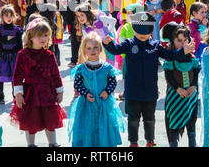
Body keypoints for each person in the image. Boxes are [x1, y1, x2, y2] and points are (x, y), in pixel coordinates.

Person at [103, 12, 195, 147]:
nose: (143, 35)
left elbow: (170, 55)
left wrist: (183, 51)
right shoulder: (128, 43)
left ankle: (150, 141)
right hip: (133, 90)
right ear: (134, 29)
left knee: (149, 118)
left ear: (151, 31)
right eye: (140, 32)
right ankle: (133, 142)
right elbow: (115, 49)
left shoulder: (155, 45)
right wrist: (107, 43)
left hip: (150, 91)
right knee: (133, 119)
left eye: (146, 32)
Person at [9, 18, 66, 147]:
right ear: (30, 37)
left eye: (46, 35)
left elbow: (56, 74)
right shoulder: (23, 54)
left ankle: (53, 143)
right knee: (31, 121)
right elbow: (17, 75)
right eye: (39, 35)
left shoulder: (49, 55)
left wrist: (59, 90)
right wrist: (18, 94)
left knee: (50, 120)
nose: (43, 38)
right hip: (31, 94)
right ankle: (31, 144)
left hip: (47, 93)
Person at [68, 32, 125, 147]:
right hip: (86, 104)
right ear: (84, 51)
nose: (92, 50)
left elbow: (112, 82)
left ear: (100, 49)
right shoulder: (81, 69)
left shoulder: (107, 68)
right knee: (88, 126)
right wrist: (85, 94)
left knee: (104, 125)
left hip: (104, 103)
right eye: (88, 48)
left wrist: (107, 91)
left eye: (95, 47)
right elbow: (78, 84)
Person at [161, 24, 199, 147]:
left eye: (185, 40)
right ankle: (173, 143)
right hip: (175, 97)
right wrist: (177, 88)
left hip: (190, 97)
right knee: (174, 124)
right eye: (179, 41)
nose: (182, 44)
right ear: (173, 41)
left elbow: (196, 74)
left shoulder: (193, 59)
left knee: (191, 124)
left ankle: (192, 142)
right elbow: (168, 77)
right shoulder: (170, 59)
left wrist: (193, 86)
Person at [0, 5, 23, 104]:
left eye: (11, 15)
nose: (9, 18)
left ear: (14, 16)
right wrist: (6, 38)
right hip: (2, 55)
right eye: (6, 15)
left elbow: (20, 45)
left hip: (14, 56)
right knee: (1, 75)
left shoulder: (17, 29)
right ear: (2, 17)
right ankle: (1, 95)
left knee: (14, 76)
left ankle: (15, 95)